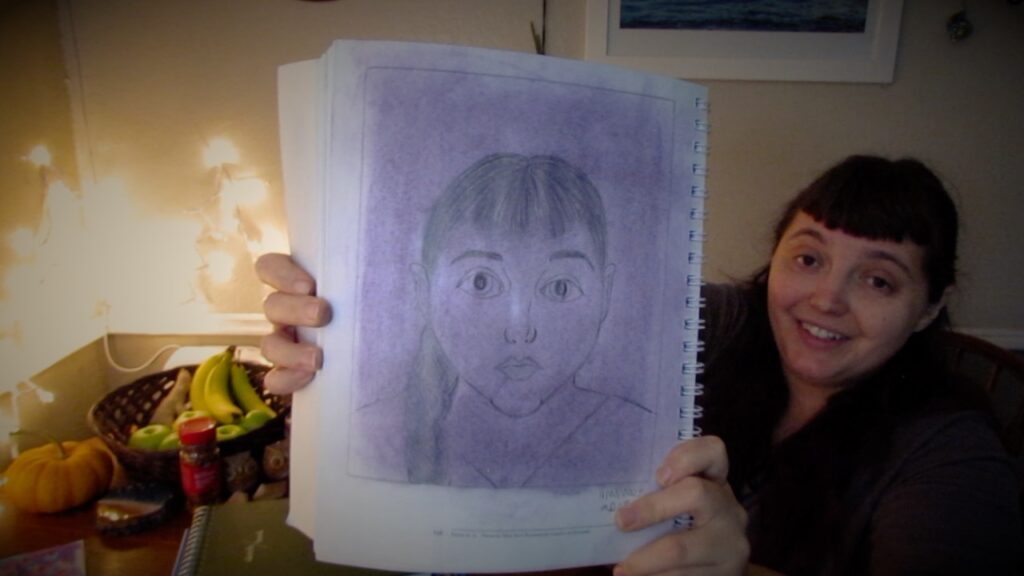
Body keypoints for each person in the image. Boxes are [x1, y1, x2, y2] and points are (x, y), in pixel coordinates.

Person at [257, 155, 1022, 575]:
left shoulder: (949, 452)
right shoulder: (716, 329)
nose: (826, 298)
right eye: (809, 257)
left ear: (930, 307)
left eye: (878, 280)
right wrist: (337, 324)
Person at [350, 153, 652, 488]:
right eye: (481, 282)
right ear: (424, 292)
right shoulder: (365, 438)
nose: (520, 329)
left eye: (560, 287)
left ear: (605, 294)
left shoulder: (647, 441)